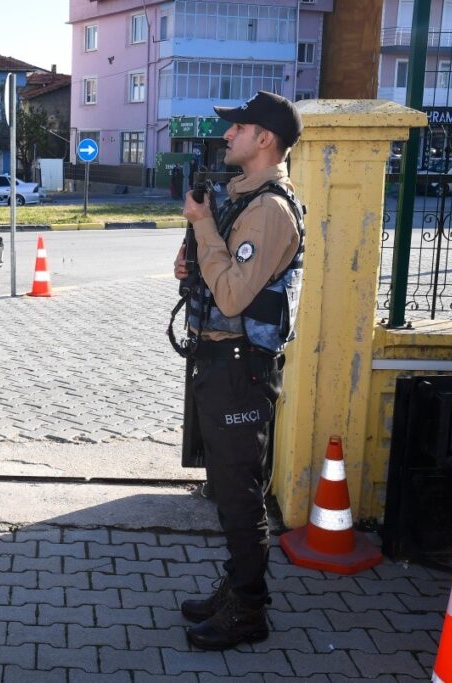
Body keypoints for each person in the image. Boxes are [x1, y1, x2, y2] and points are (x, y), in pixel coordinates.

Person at [173, 91, 305, 650]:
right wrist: (191, 259)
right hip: (216, 360)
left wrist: (203, 228)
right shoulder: (241, 199)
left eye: (239, 128)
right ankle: (237, 589)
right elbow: (215, 275)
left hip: (239, 368)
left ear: (266, 139)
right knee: (225, 489)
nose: (228, 135)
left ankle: (249, 611)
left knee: (240, 494)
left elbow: (231, 296)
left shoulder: (271, 210)